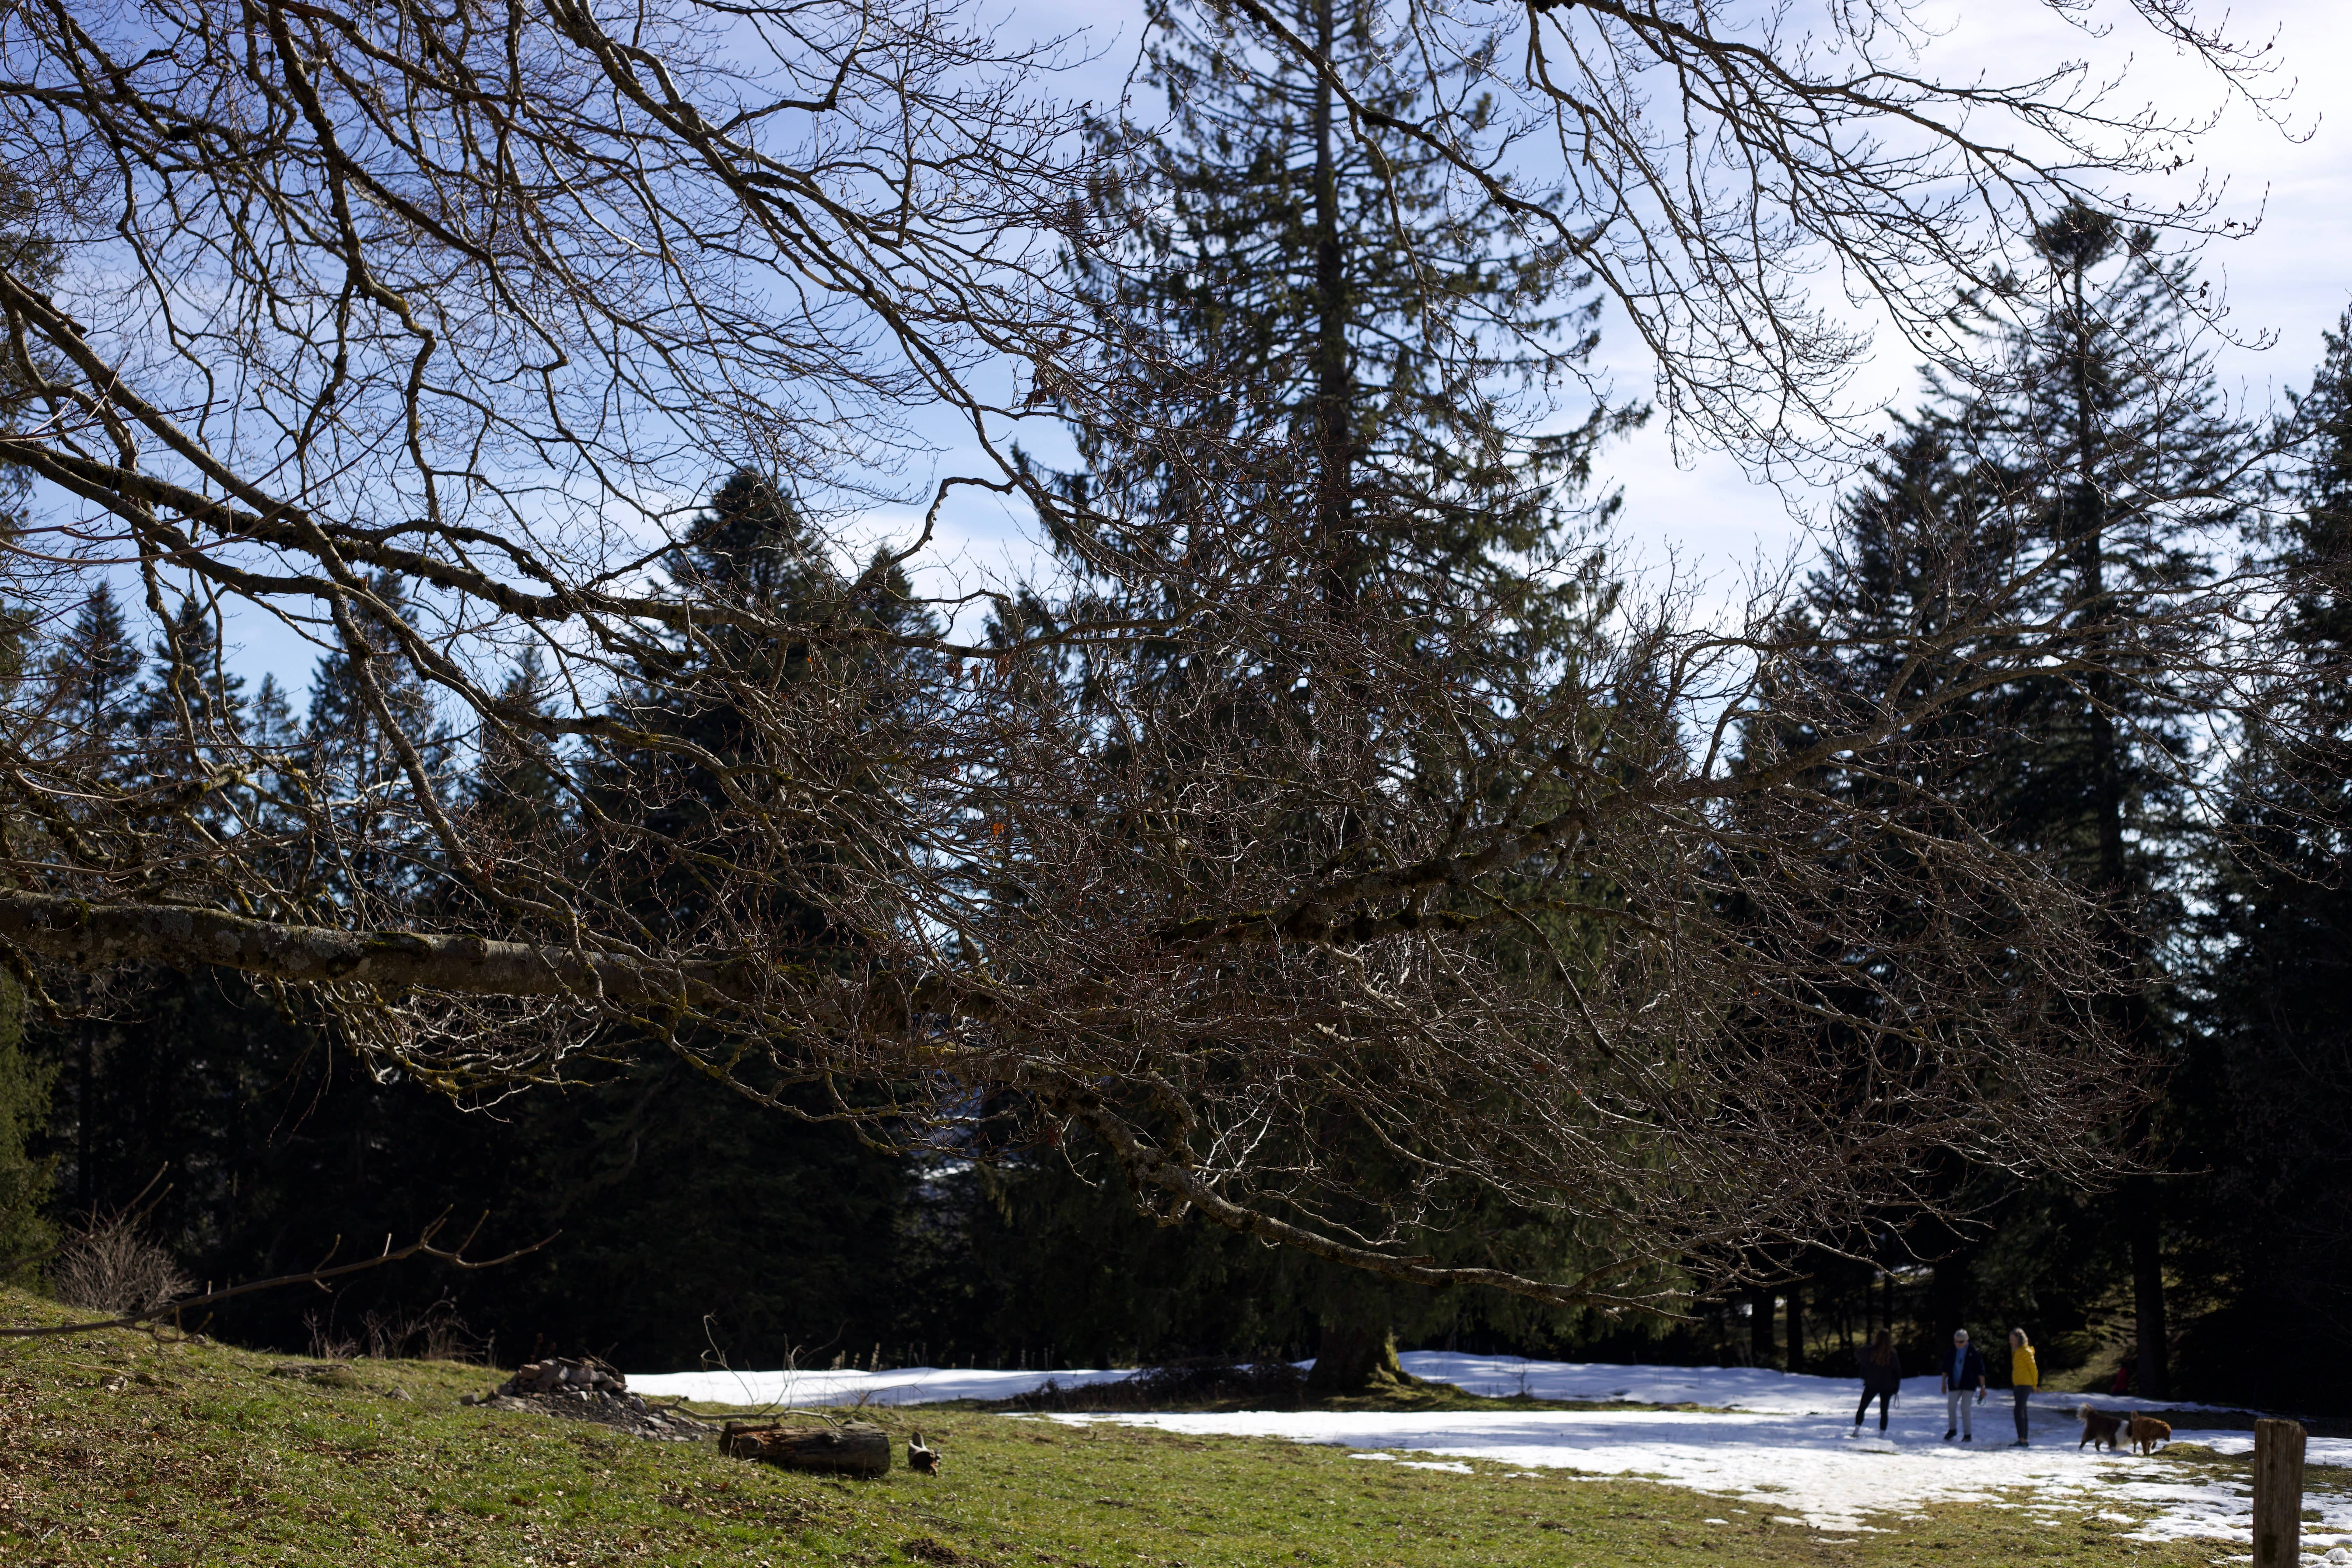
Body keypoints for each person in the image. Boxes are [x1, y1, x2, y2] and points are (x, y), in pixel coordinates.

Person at [1941, 1328, 1987, 1441]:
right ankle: (1953, 1429)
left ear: (1967, 1341)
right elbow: (1945, 1368)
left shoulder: (1974, 1352)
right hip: (1954, 1384)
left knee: (1965, 1408)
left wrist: (1983, 1387)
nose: (1958, 1344)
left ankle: (1968, 1434)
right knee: (1951, 1406)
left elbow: (1981, 1371)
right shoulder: (1952, 1351)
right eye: (1956, 1341)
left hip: (1969, 1384)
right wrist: (1943, 1383)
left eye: (1961, 1342)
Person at [1854, 1328, 1901, 1436]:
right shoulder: (1892, 1354)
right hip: (1888, 1386)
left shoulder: (1871, 1351)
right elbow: (1898, 1371)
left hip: (1872, 1384)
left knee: (1862, 1408)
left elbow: (1858, 1354)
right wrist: (1896, 1387)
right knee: (1884, 1411)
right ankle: (1882, 1434)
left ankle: (1857, 1430)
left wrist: (1871, 1344)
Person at [2008, 1329, 2039, 1447]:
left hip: (2025, 1385)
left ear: (2019, 1340)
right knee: (2022, 1411)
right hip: (2018, 1384)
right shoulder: (2017, 1351)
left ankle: (2022, 1440)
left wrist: (2035, 1385)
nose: (2011, 1343)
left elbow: (2034, 1369)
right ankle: (2023, 1440)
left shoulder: (2025, 1352)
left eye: (2013, 1340)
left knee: (2019, 1411)